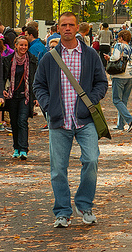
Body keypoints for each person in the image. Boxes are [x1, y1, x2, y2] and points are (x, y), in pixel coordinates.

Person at [32, 12, 109, 228]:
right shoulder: (49, 58)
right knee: (58, 169)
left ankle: (84, 205)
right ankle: (62, 212)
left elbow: (101, 82)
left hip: (85, 120)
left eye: (71, 25)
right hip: (59, 121)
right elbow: (39, 86)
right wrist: (49, 107)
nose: (67, 28)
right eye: (63, 25)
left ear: (77, 28)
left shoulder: (90, 55)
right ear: (58, 28)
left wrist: (90, 102)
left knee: (91, 160)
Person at [0, 36, 37, 159]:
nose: (23, 47)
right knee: (14, 123)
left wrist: (35, 96)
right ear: (15, 45)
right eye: (21, 45)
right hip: (12, 96)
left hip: (25, 96)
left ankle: (23, 149)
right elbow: (3, 77)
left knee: (22, 121)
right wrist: (3, 91)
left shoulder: (32, 60)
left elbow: (35, 79)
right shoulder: (8, 60)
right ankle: (16, 147)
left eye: (25, 45)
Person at [105, 30, 132, 133]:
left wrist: (109, 58)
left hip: (120, 74)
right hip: (130, 75)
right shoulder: (131, 48)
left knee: (116, 100)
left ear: (121, 38)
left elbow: (115, 57)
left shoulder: (119, 45)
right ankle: (120, 124)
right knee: (123, 101)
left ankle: (130, 120)